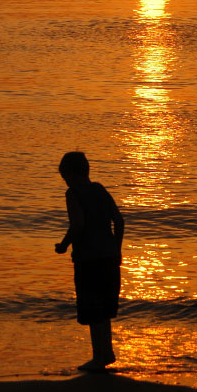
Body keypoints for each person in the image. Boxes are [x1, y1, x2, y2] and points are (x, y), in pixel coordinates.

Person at [55, 151, 124, 371]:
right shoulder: (100, 189)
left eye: (65, 176)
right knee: (104, 307)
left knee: (93, 307)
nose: (65, 181)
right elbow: (119, 221)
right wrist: (117, 249)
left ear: (72, 174)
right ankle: (107, 352)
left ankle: (98, 357)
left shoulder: (73, 193)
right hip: (110, 257)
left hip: (89, 258)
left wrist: (64, 245)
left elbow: (78, 225)